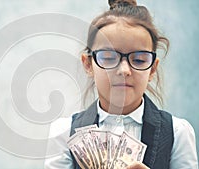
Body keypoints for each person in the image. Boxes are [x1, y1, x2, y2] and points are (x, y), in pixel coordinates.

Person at [44, 0, 198, 168]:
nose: (124, 70)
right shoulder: (64, 132)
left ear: (152, 69)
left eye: (139, 60)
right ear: (88, 64)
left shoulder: (177, 132)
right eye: (109, 58)